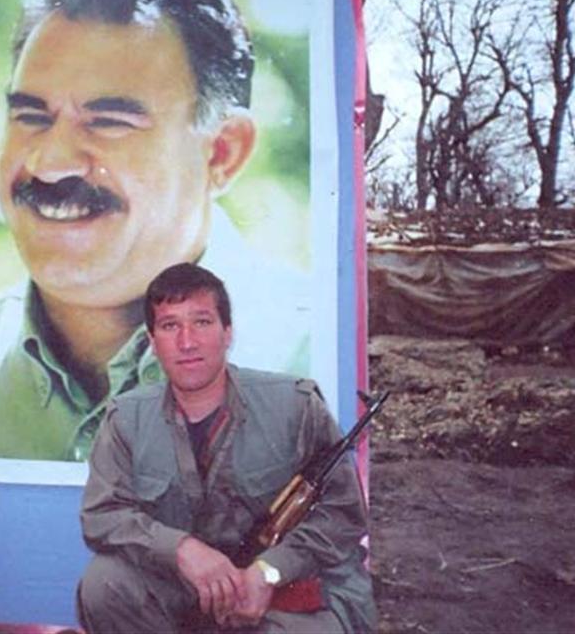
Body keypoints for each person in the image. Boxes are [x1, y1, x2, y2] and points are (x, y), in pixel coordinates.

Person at [0, 0, 310, 461]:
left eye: (109, 121)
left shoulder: (308, 363)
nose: (50, 164)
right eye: (32, 117)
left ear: (222, 153)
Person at [77, 263, 375, 633]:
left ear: (227, 332)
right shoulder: (127, 419)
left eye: (202, 322)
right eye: (170, 326)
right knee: (104, 584)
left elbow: (343, 513)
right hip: (190, 585)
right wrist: (181, 550)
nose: (187, 342)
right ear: (152, 342)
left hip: (288, 586)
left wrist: (270, 571)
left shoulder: (294, 406)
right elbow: (103, 515)